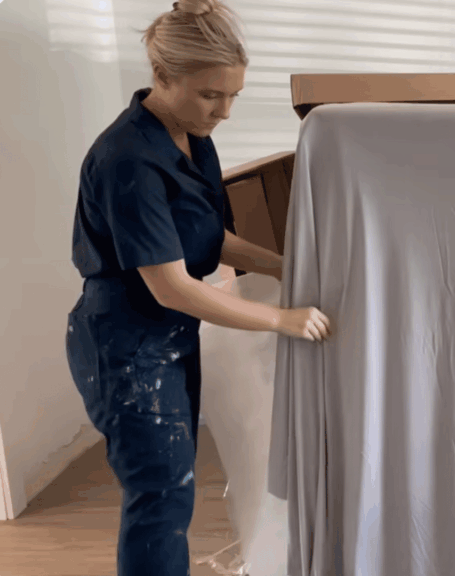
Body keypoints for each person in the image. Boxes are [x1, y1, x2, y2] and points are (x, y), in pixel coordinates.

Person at [65, 1, 329, 574]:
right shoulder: (128, 161)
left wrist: (286, 266)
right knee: (161, 496)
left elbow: (210, 236)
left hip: (165, 334)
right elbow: (173, 287)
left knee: (172, 488)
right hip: (127, 344)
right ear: (162, 77)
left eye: (233, 94)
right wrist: (283, 319)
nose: (226, 111)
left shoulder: (192, 136)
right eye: (213, 94)